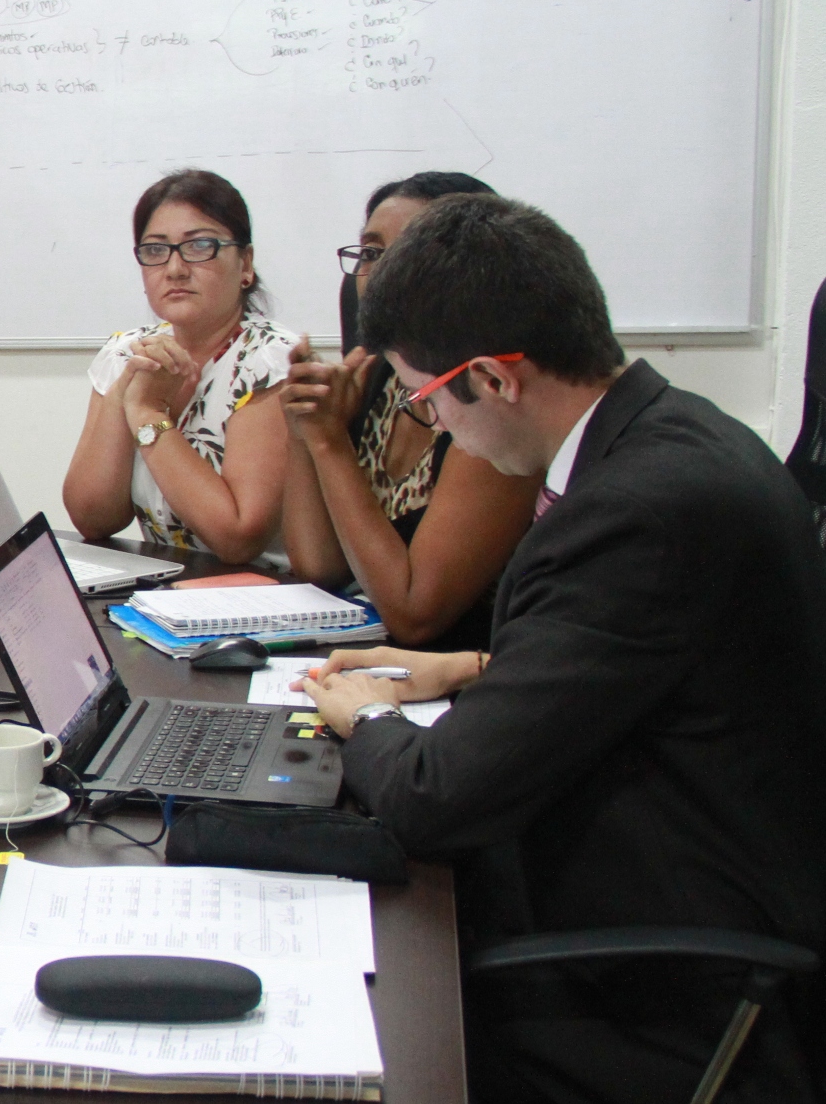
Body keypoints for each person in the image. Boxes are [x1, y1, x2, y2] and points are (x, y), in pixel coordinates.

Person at [297, 195, 826, 1103]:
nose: (437, 424)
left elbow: (435, 799)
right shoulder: (680, 435)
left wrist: (370, 718)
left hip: (672, 984)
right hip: (710, 870)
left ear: (493, 380)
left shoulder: (634, 514)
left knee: (373, 1003)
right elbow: (656, 664)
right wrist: (469, 668)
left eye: (428, 398)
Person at [279, 173, 538, 646]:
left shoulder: (491, 399)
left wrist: (331, 443)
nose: (379, 273)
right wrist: (308, 429)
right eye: (371, 252)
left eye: (406, 253)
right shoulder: (375, 375)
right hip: (372, 657)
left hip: (470, 667)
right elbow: (318, 567)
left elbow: (416, 615)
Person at [62, 170, 295, 563]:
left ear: (245, 264)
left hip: (266, 591)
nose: (174, 269)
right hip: (169, 589)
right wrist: (124, 391)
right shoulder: (125, 353)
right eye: (156, 250)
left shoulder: (270, 361)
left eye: (200, 245)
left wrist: (147, 412)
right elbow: (92, 519)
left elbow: (237, 539)